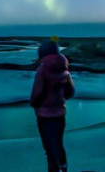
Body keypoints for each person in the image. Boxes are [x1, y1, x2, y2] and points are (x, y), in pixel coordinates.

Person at [31, 36, 75, 172]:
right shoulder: (64, 69)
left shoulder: (42, 70)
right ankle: (63, 167)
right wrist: (59, 101)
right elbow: (70, 91)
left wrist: (34, 104)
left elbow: (37, 93)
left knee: (49, 146)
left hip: (44, 114)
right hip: (60, 112)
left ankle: (54, 170)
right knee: (57, 143)